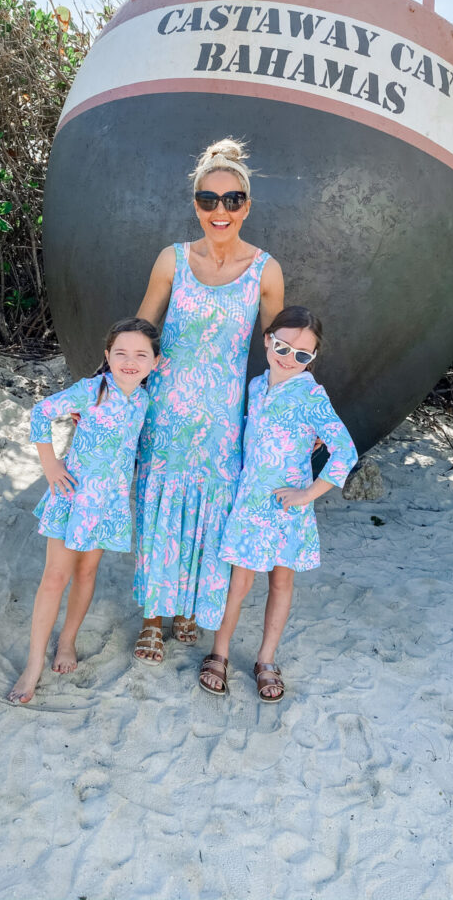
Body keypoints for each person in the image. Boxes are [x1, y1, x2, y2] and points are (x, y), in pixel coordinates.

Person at [132, 138, 285, 663]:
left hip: (223, 421)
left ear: (248, 204)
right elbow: (142, 330)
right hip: (167, 411)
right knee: (160, 508)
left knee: (211, 513)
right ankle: (153, 618)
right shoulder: (172, 260)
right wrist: (110, 387)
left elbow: (276, 355)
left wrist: (287, 416)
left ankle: (190, 608)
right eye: (209, 199)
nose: (220, 211)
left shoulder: (266, 271)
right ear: (195, 202)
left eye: (233, 199)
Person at [198, 305, 358, 702]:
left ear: (313, 358)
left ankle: (266, 658)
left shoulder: (312, 396)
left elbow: (346, 451)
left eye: (303, 355)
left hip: (288, 507)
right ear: (268, 339)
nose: (290, 359)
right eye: (284, 347)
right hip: (251, 502)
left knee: (281, 581)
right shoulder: (255, 386)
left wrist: (308, 494)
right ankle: (220, 650)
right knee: (239, 582)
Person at [8, 318, 159, 703]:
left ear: (155, 363)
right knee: (55, 577)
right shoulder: (92, 391)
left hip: (109, 505)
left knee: (87, 572)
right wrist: (51, 465)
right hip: (73, 498)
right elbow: (41, 412)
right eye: (120, 353)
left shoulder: (143, 399)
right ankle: (33, 664)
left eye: (141, 355)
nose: (130, 361)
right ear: (107, 356)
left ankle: (67, 642)